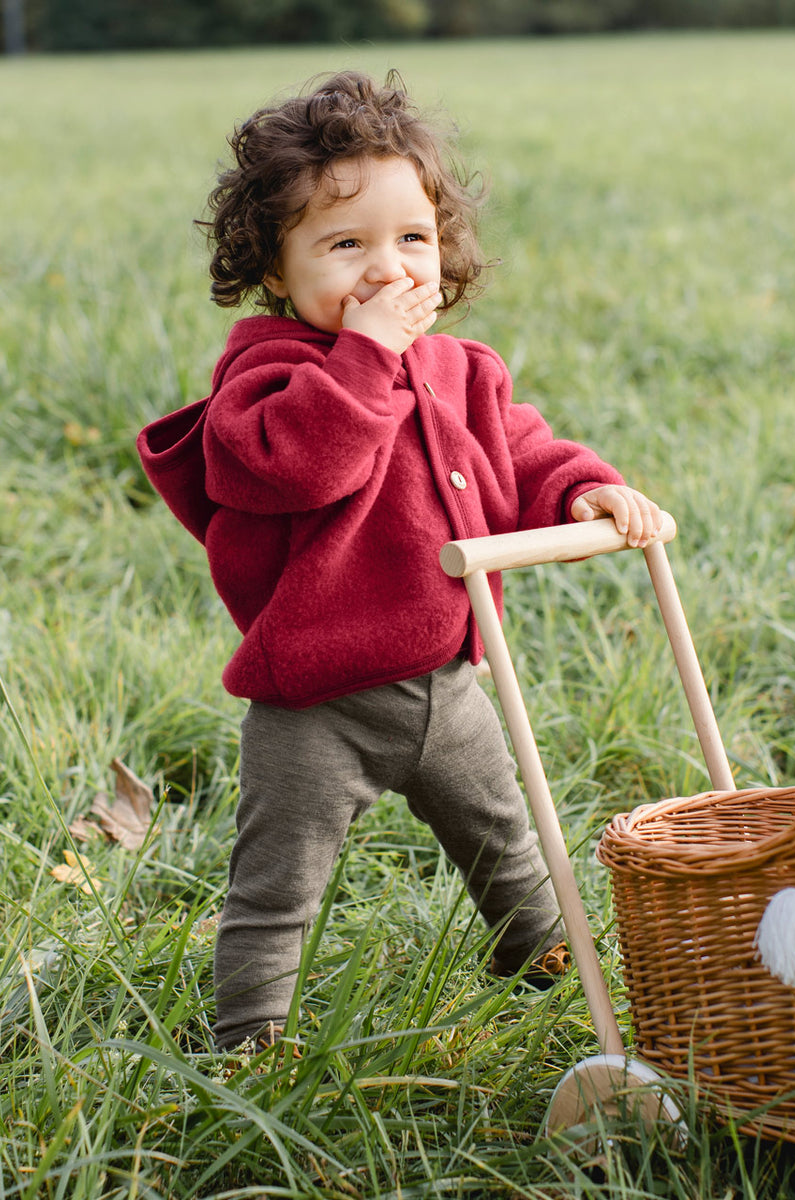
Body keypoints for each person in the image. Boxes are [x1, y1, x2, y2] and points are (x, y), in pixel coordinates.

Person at [137, 70, 661, 1052]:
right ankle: (250, 1032)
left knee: (506, 838)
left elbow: (520, 449)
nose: (388, 273)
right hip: (318, 702)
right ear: (277, 271)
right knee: (279, 876)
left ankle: (543, 961)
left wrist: (581, 486)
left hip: (448, 681)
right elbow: (303, 463)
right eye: (346, 246)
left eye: (411, 240)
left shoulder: (462, 369)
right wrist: (369, 355)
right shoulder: (268, 379)